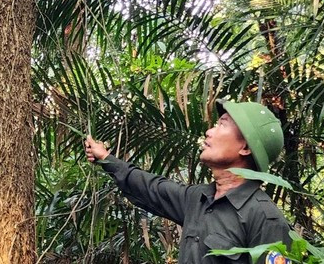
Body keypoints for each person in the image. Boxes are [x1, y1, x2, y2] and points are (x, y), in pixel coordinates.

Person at [84, 100, 292, 264]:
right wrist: (106, 159)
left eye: (222, 124)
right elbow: (151, 188)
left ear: (245, 147)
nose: (209, 131)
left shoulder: (265, 218)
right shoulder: (198, 198)